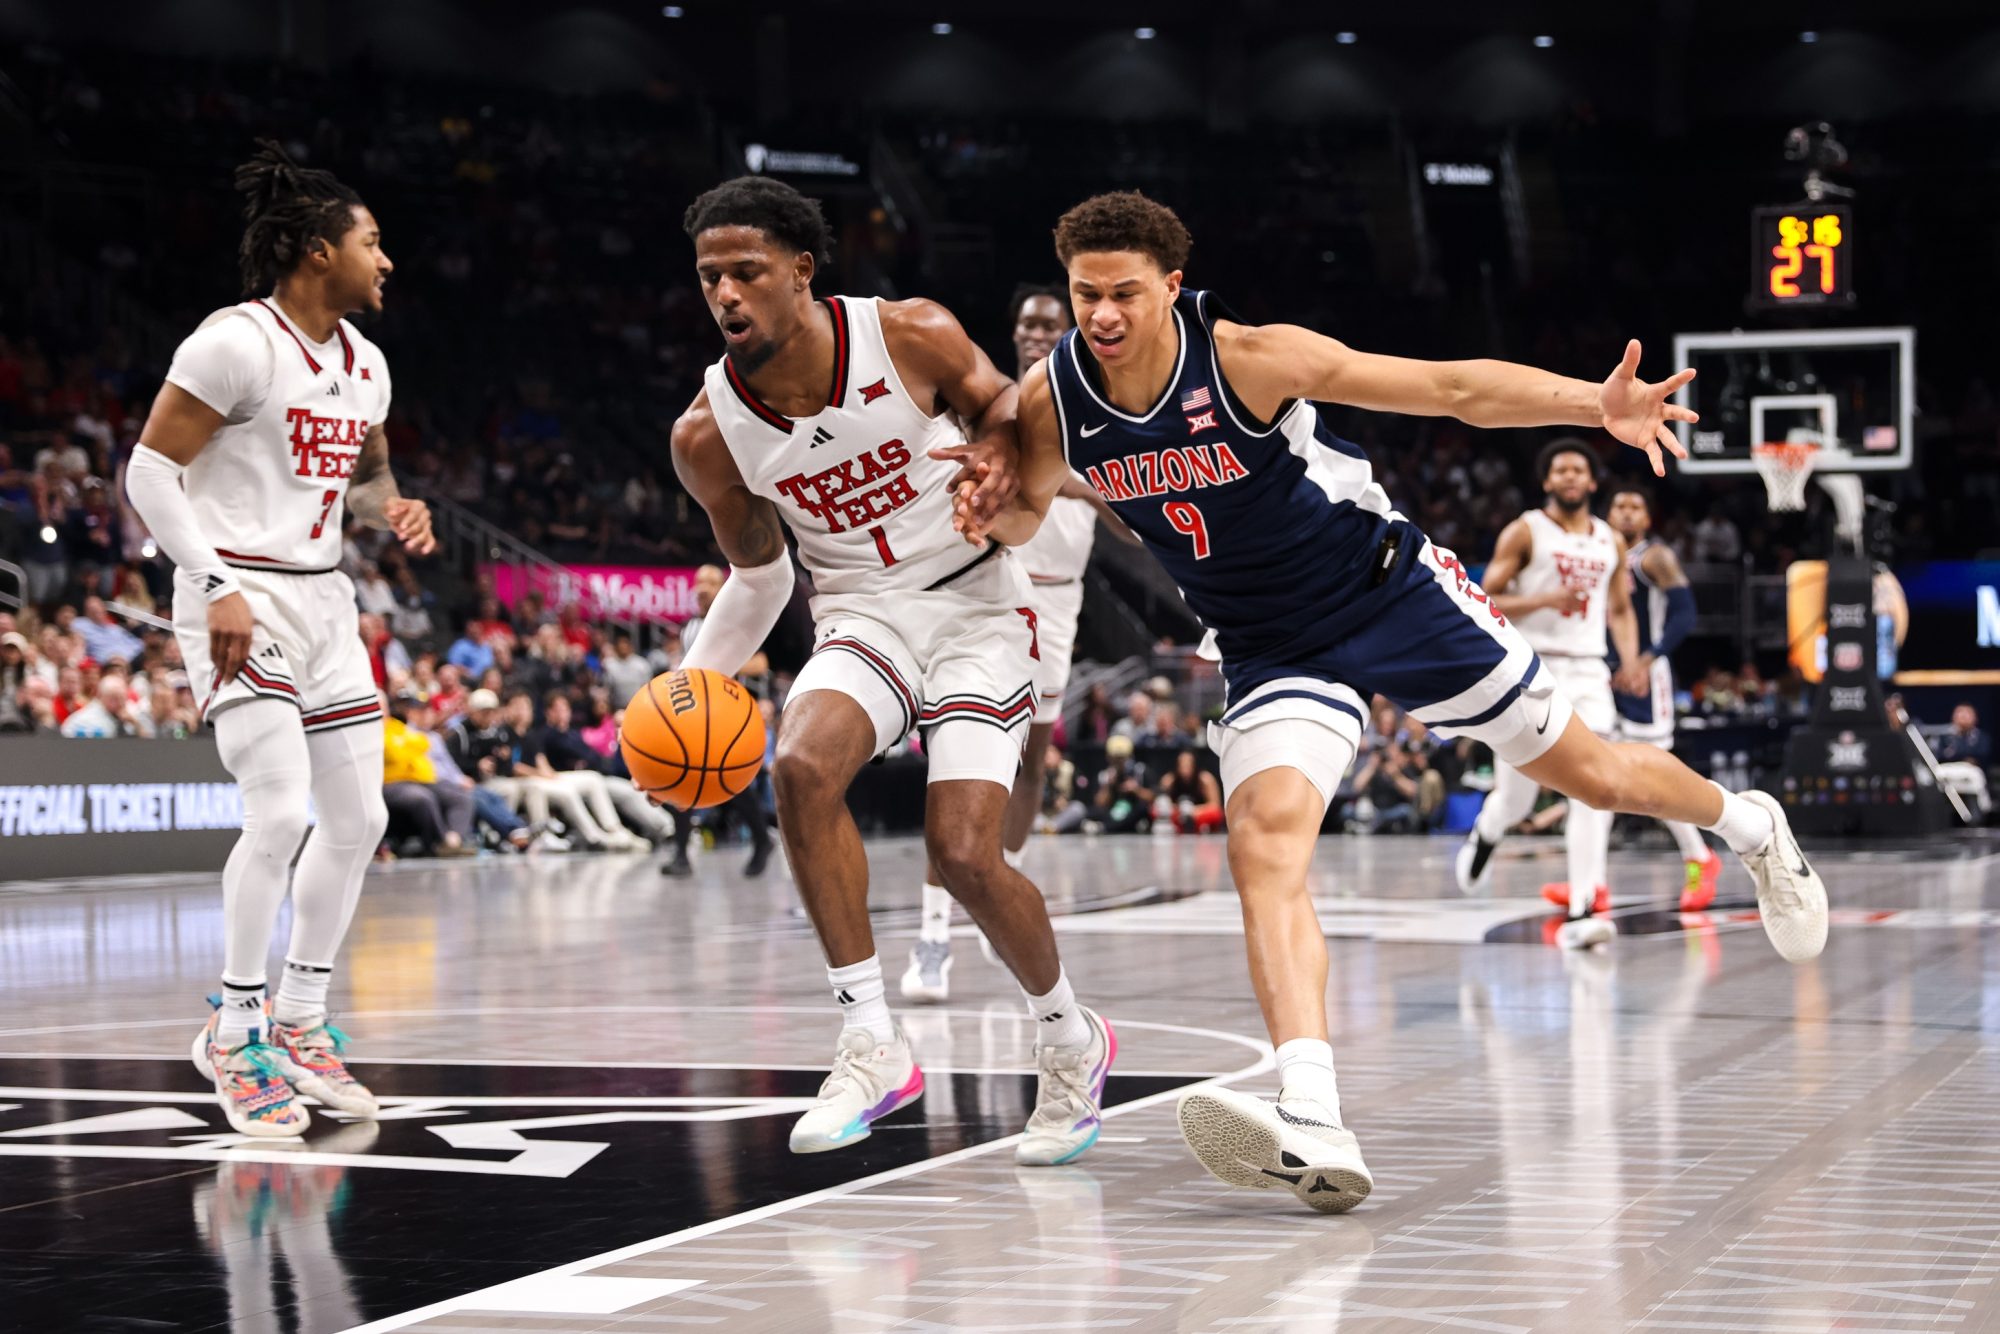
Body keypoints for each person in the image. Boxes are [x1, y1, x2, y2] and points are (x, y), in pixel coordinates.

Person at [972, 190, 1827, 1213]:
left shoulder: (1245, 354)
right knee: (1263, 842)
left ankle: (1750, 824)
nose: (1099, 314)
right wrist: (992, 499)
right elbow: (1022, 514)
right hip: (1268, 644)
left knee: (1589, 770)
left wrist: (1590, 407)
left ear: (1167, 285)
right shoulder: (1050, 399)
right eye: (1081, 295)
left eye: (1120, 292)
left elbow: (1447, 387)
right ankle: (1311, 1109)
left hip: (1386, 591)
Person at [667, 175, 1113, 1163]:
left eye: (745, 271)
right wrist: (687, 682)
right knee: (799, 768)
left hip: (976, 608)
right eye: (709, 278)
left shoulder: (907, 332)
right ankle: (870, 1039)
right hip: (860, 616)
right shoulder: (708, 433)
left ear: (799, 269)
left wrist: (1004, 455)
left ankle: (1069, 1037)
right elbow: (755, 576)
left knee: (961, 851)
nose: (727, 294)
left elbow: (1007, 409)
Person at [124, 140, 431, 1137]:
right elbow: (147, 473)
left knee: (359, 823)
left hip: (324, 599)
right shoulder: (234, 344)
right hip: (234, 592)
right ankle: (235, 1026)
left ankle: (301, 1018)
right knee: (280, 810)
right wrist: (210, 580)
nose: (386, 261)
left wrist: (394, 509)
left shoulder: (367, 364)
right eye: (371, 242)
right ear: (314, 251)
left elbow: (367, 476)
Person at [904, 281, 1138, 1002]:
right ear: (1014, 335)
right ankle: (933, 933)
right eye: (1028, 324)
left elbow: (1135, 524)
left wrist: (1075, 484)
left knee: (1033, 756)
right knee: (958, 759)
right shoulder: (990, 405)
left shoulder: (1103, 416)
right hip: (987, 581)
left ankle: (993, 885)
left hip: (1059, 604)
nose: (1037, 334)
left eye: (1050, 324)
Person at [1451, 441, 1632, 925]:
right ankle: (1489, 831)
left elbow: (1619, 608)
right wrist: (1546, 599)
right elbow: (1481, 596)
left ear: (1592, 482)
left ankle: (1584, 902)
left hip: (1590, 669)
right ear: (1548, 482)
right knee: (1518, 799)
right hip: (1532, 669)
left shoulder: (1610, 540)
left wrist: (1630, 661)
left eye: (1579, 469)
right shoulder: (1526, 530)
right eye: (1561, 470)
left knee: (1598, 784)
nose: (1571, 477)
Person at [1603, 482, 1720, 909]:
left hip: (1646, 677)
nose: (1628, 512)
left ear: (1647, 519)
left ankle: (1699, 857)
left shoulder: (1653, 557)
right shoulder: (1599, 553)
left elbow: (1685, 613)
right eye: (1620, 505)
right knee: (1594, 775)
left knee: (1657, 778)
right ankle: (1590, 884)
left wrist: (1647, 659)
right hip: (1603, 676)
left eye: (1636, 506)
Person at [659, 564, 775, 878]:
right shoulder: (689, 626)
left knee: (729, 781)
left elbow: (761, 662)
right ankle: (682, 853)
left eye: (709, 582)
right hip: (694, 709)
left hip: (723, 710)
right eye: (697, 582)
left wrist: (716, 667)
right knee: (683, 775)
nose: (701, 588)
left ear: (723, 587)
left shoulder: (735, 618)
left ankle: (762, 840)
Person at [1159, 748, 1224, 833]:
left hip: (1199, 814)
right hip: (1178, 814)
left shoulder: (1205, 780)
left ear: (1194, 765)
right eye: (1182, 765)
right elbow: (1161, 805)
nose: (1185, 769)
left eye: (1188, 765)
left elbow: (1215, 806)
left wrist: (1194, 811)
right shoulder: (1169, 780)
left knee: (1216, 814)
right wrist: (1177, 809)